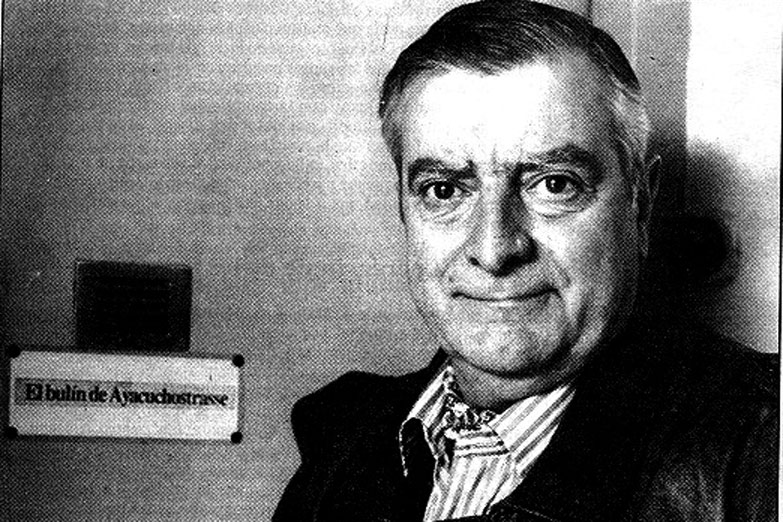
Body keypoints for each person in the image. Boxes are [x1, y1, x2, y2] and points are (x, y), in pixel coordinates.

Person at [273, 1, 778, 520]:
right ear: (405, 210)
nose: (493, 250)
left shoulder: (762, 444)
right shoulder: (343, 444)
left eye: (554, 185)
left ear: (640, 205)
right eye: (444, 190)